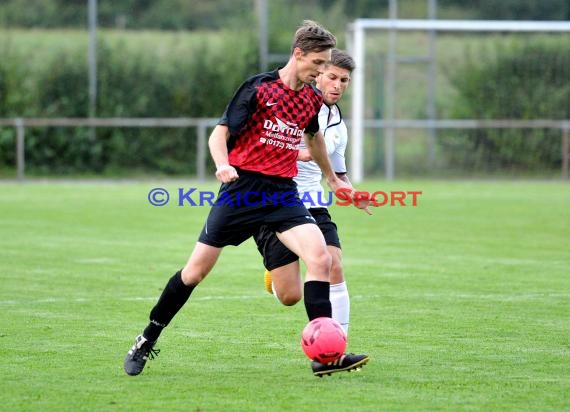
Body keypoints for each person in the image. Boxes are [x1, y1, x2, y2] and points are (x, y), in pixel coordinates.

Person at [123, 20, 369, 377]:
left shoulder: (310, 99)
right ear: (297, 54)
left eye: (325, 64)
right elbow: (218, 135)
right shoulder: (259, 89)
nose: (321, 71)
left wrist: (333, 180)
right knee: (194, 273)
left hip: (282, 194)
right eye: (317, 63)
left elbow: (313, 138)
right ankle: (146, 339)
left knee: (320, 259)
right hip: (242, 191)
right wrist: (223, 165)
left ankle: (324, 355)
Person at [254, 49, 369, 377]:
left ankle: (336, 349)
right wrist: (300, 152)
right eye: (332, 76)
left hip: (315, 202)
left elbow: (338, 172)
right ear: (317, 73)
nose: (338, 85)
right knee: (290, 295)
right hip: (279, 202)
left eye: (344, 80)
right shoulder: (292, 104)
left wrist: (353, 193)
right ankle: (275, 281)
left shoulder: (337, 123)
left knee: (334, 264)